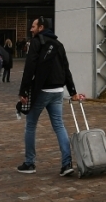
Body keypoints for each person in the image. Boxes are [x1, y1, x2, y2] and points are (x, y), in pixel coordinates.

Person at [17, 17, 85, 176]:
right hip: (58, 91)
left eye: (33, 26)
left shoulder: (37, 42)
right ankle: (66, 164)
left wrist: (23, 91)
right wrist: (73, 92)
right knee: (59, 125)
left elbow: (30, 67)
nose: (30, 29)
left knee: (31, 125)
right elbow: (66, 69)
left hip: (42, 91)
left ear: (41, 27)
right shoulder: (59, 45)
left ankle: (29, 163)